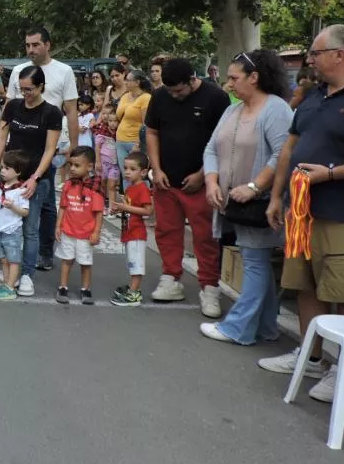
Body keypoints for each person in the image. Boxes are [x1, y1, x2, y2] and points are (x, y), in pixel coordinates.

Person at [259, 25, 344, 402]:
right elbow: (289, 149)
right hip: (302, 211)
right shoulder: (313, 97)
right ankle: (311, 356)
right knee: (304, 282)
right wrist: (277, 197)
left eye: (316, 53)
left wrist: (332, 174)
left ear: (341, 54)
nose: (310, 60)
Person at [200, 49, 293, 344]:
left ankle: (237, 328)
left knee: (253, 262)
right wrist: (212, 181)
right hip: (233, 203)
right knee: (257, 262)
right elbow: (211, 149)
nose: (228, 84)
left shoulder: (276, 109)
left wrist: (255, 187)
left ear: (254, 78)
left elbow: (283, 154)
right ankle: (266, 327)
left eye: (234, 78)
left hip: (260, 204)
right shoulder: (232, 110)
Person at [145, 58, 230, 315]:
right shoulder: (159, 97)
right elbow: (152, 132)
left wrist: (204, 174)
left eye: (179, 90)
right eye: (170, 90)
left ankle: (209, 287)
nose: (174, 95)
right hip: (166, 179)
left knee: (205, 236)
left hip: (202, 181)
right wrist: (156, 169)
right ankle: (171, 277)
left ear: (193, 79)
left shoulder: (216, 98)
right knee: (166, 231)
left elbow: (224, 142)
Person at [2, 28, 79, 270]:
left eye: (35, 44)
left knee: (44, 203)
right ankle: (3, 246)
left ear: (48, 44)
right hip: (18, 147)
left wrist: (74, 148)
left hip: (50, 146)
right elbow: (9, 107)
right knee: (9, 196)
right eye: (27, 45)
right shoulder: (18, 71)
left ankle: (45, 252)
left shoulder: (63, 71)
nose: (31, 49)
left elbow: (72, 110)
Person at [0, 65, 62, 295]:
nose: (25, 93)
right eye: (22, 89)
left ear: (41, 87)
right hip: (7, 177)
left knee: (29, 229)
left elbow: (50, 149)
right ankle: (7, 270)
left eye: (30, 89)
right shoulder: (13, 106)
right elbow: (1, 137)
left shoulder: (51, 112)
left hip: (36, 179)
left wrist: (35, 178)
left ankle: (26, 275)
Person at [54, 146, 104, 305]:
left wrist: (96, 231)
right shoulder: (68, 185)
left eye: (77, 165)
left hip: (86, 234)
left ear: (89, 166)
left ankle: (86, 289)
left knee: (85, 262)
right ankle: (62, 287)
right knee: (66, 260)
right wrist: (58, 226)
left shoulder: (94, 188)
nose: (72, 169)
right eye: (71, 165)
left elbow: (99, 212)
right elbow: (63, 207)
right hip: (68, 231)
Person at [0, 150, 33, 300]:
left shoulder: (20, 190)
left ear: (18, 172)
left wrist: (13, 207)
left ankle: (11, 287)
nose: (2, 171)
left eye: (7, 168)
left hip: (11, 231)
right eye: (2, 168)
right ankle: (5, 282)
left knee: (13, 260)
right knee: (3, 259)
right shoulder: (0, 187)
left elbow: (25, 212)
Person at [109, 151, 154, 306]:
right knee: (131, 262)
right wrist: (120, 209)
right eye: (126, 168)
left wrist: (125, 207)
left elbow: (148, 211)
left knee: (136, 264)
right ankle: (132, 287)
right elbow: (130, 207)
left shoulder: (142, 189)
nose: (127, 172)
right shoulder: (129, 188)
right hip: (129, 231)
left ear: (143, 172)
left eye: (132, 169)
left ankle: (134, 293)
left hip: (136, 233)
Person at [115, 70, 153, 189]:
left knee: (137, 176)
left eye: (128, 80)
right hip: (120, 139)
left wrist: (138, 144)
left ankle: (141, 203)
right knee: (125, 175)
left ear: (137, 82)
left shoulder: (146, 98)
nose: (125, 82)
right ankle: (128, 203)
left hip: (135, 142)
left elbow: (145, 123)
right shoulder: (125, 96)